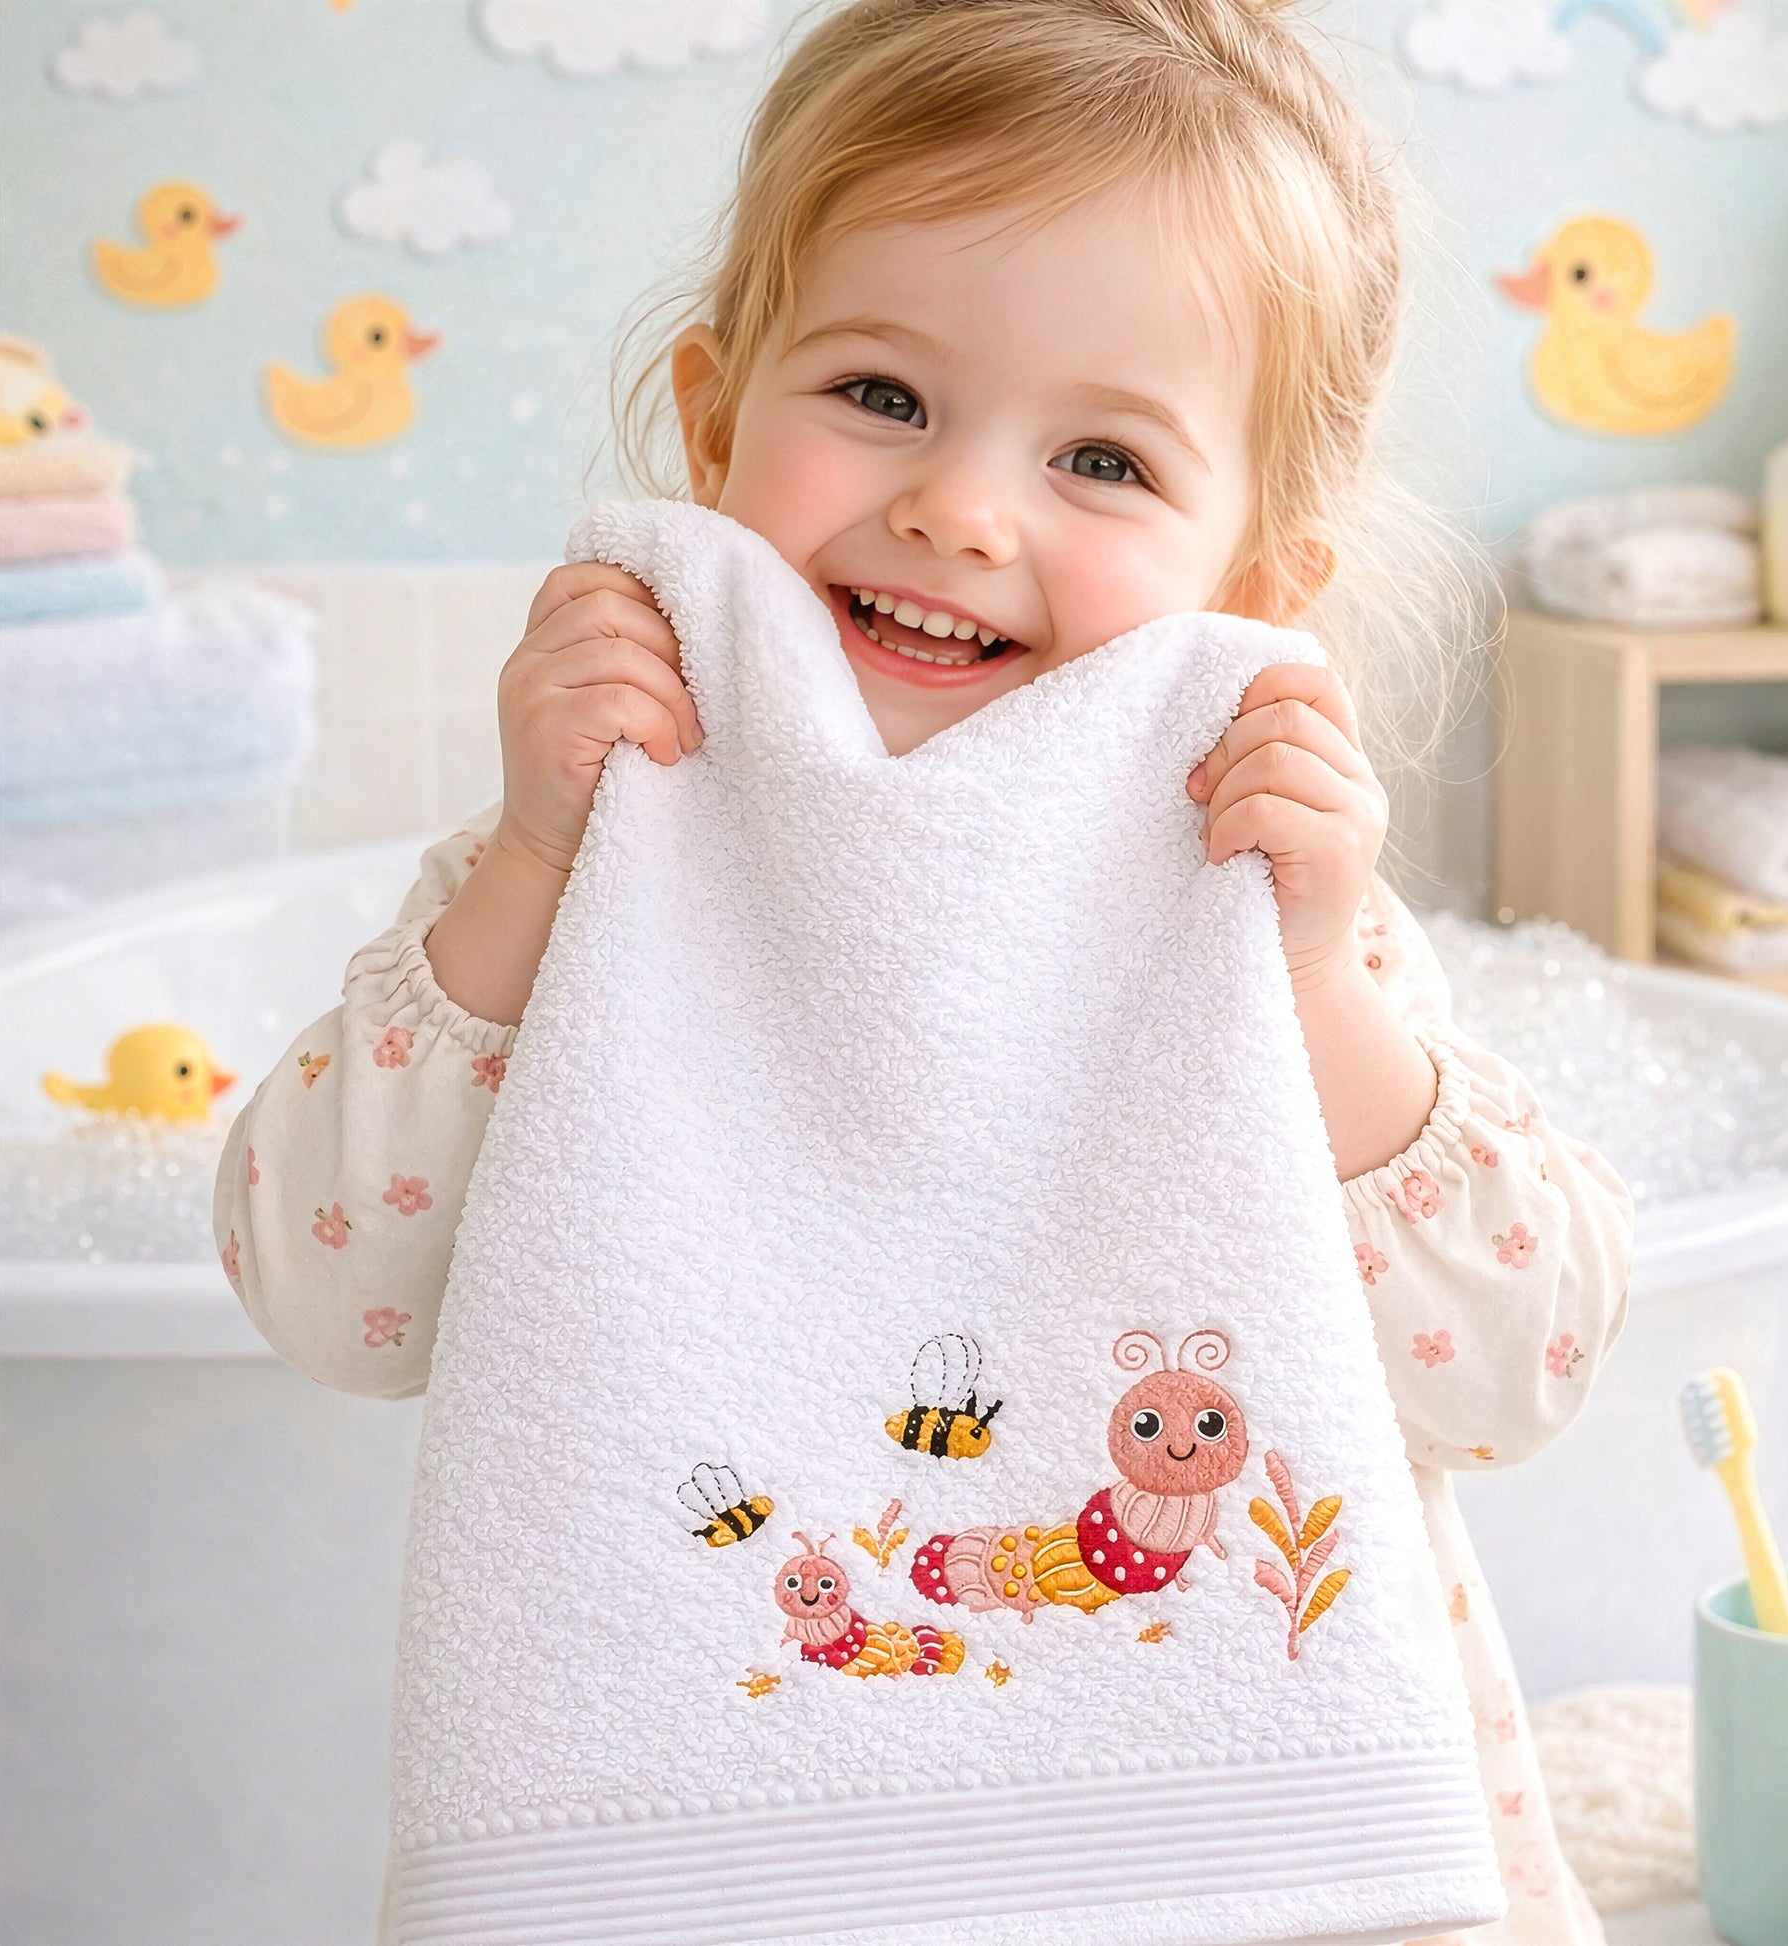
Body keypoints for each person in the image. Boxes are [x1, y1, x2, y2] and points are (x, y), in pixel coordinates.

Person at [215, 3, 1632, 1937]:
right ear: (716, 417)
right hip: (729, 1827)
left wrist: (1310, 978)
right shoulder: (611, 843)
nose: (961, 506)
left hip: (1237, 1850)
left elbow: (1514, 1367)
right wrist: (535, 859)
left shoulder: (1249, 895)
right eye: (879, 395)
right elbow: (331, 1299)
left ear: (1256, 582)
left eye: (1104, 458)